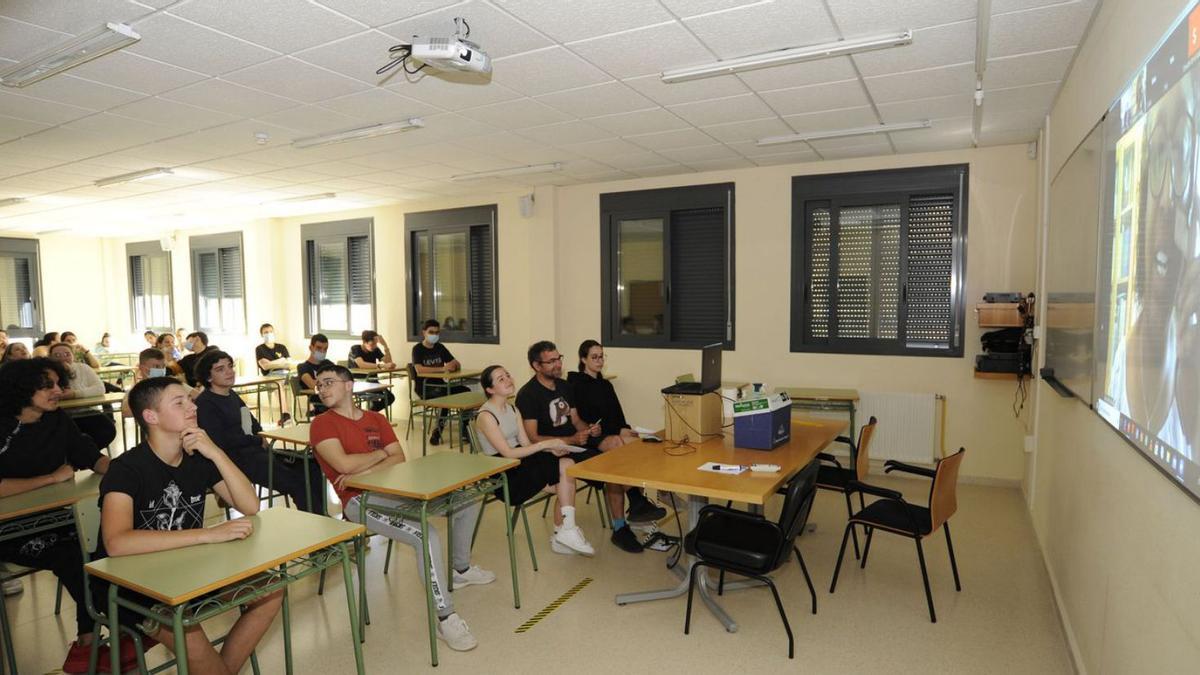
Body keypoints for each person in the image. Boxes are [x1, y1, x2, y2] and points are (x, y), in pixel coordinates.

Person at [95, 377, 282, 675]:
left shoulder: (197, 459)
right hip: (133, 585)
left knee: (270, 588)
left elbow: (249, 506)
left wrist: (216, 453)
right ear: (151, 416)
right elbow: (117, 543)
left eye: (190, 400)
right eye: (179, 402)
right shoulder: (126, 469)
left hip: (189, 571)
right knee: (189, 633)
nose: (192, 407)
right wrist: (208, 535)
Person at [310, 363, 492, 652]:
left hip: (398, 491)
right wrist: (379, 456)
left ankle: (461, 568)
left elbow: (398, 457)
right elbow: (343, 466)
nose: (322, 389)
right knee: (425, 534)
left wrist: (368, 465)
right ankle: (446, 617)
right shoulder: (322, 424)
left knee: (467, 499)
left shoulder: (375, 419)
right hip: (360, 502)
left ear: (348, 386)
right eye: (319, 385)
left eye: (329, 382)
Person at [0, 358, 131, 674]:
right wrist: (50, 479)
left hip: (56, 519)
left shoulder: (56, 420)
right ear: (22, 388)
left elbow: (89, 456)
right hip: (10, 529)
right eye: (49, 385)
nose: (59, 391)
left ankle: (93, 640)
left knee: (106, 544)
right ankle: (109, 634)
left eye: (59, 383)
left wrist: (130, 475)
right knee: (76, 556)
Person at [516, 341, 652, 553]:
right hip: (547, 451)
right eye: (551, 361)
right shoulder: (528, 394)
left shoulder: (564, 387)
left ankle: (626, 518)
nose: (557, 364)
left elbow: (577, 420)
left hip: (573, 446)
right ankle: (563, 531)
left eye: (559, 358)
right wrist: (571, 440)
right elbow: (534, 437)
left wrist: (588, 429)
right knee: (568, 469)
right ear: (536, 365)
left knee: (613, 463)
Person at [476, 365, 594, 556]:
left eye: (507, 375)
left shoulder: (514, 410)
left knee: (567, 468)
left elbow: (524, 443)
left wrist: (552, 448)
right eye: (500, 379)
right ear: (490, 389)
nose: (508, 379)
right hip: (503, 471)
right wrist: (545, 445)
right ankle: (563, 532)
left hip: (520, 460)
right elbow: (507, 453)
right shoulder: (485, 416)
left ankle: (565, 531)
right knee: (566, 477)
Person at [193, 350, 324, 514]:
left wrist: (260, 435)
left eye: (230, 366)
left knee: (311, 465)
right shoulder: (205, 404)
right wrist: (256, 440)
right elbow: (222, 441)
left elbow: (251, 421)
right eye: (220, 369)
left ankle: (321, 518)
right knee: (297, 481)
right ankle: (316, 525)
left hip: (255, 452)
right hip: (236, 460)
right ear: (208, 377)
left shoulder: (231, 394)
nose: (229, 371)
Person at [567, 340, 664, 526]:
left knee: (641, 446)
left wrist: (626, 428)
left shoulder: (605, 384)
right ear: (583, 359)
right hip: (590, 436)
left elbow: (616, 414)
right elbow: (580, 419)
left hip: (609, 433)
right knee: (618, 446)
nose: (599, 360)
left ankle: (647, 504)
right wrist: (595, 428)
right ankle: (636, 500)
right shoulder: (576, 385)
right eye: (594, 357)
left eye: (601, 356)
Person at [49, 343, 117, 450]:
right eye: (57, 355)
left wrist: (75, 394)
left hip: (85, 411)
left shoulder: (83, 368)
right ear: (50, 358)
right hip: (59, 414)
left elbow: (100, 388)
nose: (63, 358)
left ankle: (84, 456)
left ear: (73, 356)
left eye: (67, 354)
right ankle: (80, 458)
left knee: (107, 430)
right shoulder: (46, 372)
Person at [411, 319, 469, 445]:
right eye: (431, 332)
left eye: (437, 332)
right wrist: (442, 368)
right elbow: (419, 369)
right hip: (425, 388)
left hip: (441, 386)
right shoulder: (417, 349)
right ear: (424, 333)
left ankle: (465, 429)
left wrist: (455, 364)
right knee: (445, 397)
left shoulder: (440, 347)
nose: (434, 335)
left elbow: (454, 363)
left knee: (466, 392)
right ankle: (437, 432)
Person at [348, 330, 396, 412]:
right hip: (359, 383)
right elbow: (361, 364)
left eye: (376, 343)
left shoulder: (375, 350)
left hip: (373, 382)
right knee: (375, 399)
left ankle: (370, 413)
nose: (374, 346)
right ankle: (370, 415)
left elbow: (388, 361)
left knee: (390, 397)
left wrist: (385, 345)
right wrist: (381, 366)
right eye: (372, 344)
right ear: (364, 342)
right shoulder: (355, 349)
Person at [122, 348, 167, 418]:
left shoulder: (171, 383)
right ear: (143, 368)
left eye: (163, 366)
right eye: (156, 366)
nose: (161, 370)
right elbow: (126, 412)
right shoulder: (137, 388)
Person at [295, 334, 333, 416]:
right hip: (320, 404)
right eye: (319, 348)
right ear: (311, 348)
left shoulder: (328, 363)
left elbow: (342, 378)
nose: (322, 352)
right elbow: (313, 385)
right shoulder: (303, 367)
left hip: (334, 399)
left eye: (325, 349)